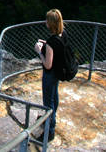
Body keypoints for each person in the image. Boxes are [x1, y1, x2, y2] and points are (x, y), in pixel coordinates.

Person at [35, 8, 66, 142]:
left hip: (49, 75)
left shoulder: (51, 42)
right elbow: (57, 48)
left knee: (48, 104)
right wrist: (46, 45)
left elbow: (47, 64)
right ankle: (51, 120)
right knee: (54, 97)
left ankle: (50, 131)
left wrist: (39, 52)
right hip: (58, 73)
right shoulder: (62, 34)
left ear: (50, 23)